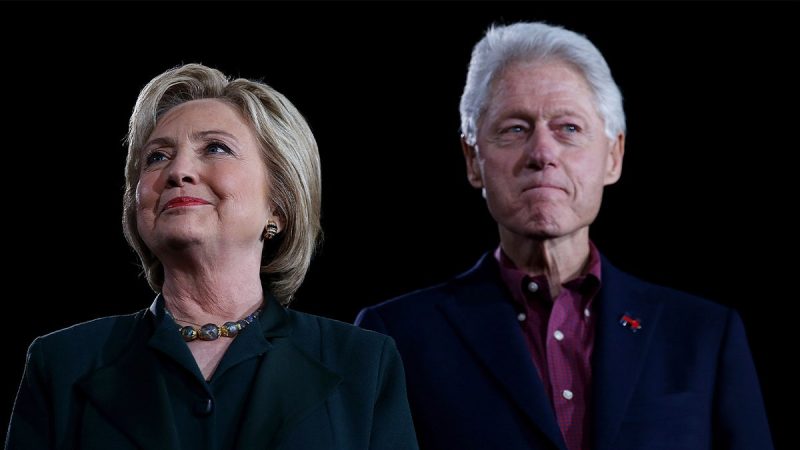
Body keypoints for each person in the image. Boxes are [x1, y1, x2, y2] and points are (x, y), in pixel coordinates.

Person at [355, 22, 773, 450]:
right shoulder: (394, 338)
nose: (542, 153)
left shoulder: (704, 336)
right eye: (515, 128)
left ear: (613, 157)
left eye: (569, 128)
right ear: (472, 158)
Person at [6, 63, 418, 450]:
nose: (178, 171)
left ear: (278, 205)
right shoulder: (60, 363)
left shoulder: (364, 363)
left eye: (216, 148)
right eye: (157, 157)